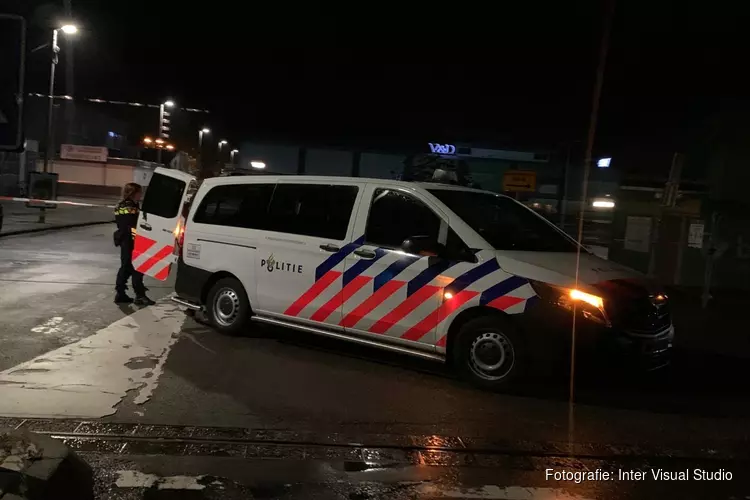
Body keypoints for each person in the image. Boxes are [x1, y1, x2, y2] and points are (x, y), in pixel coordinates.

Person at [113, 183, 155, 305]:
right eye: (139, 192)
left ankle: (121, 293)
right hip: (131, 240)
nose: (140, 195)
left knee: (126, 267)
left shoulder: (123, 205)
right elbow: (132, 225)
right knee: (137, 267)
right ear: (133, 193)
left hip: (126, 239)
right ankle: (139, 295)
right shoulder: (130, 206)